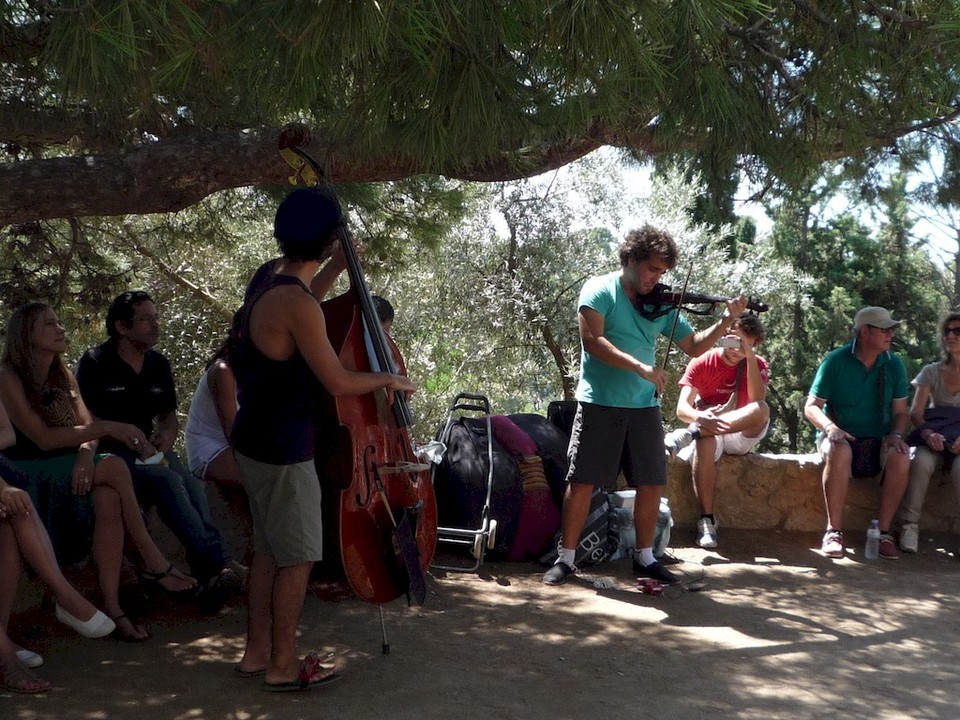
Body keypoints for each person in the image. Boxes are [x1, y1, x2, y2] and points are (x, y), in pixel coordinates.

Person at [230, 186, 416, 691]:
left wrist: (340, 263)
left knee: (269, 551)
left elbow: (308, 295)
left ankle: (256, 653)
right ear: (329, 237)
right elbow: (338, 381)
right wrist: (388, 380)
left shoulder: (270, 279)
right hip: (284, 446)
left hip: (254, 437)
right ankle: (283, 666)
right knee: (300, 556)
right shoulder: (296, 304)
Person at [542, 225, 749, 586]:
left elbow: (694, 345)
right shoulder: (600, 289)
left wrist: (724, 322)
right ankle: (568, 557)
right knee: (583, 479)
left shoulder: (662, 305)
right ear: (632, 260)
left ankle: (645, 557)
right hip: (599, 402)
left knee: (652, 480)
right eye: (652, 269)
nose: (656, 278)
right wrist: (640, 367)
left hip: (644, 407)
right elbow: (593, 341)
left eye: (662, 272)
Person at [0, 302, 195, 642]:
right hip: (28, 472)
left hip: (72, 467)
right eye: (50, 324)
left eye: (60, 320)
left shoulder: (64, 375)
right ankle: (151, 558)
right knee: (117, 467)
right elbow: (43, 439)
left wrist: (86, 458)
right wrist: (108, 429)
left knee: (107, 496)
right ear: (26, 335)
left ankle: (113, 607)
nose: (61, 328)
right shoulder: (8, 378)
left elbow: (87, 428)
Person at [75, 291, 241, 605]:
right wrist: (118, 432)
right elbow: (84, 417)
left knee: (189, 481)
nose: (155, 325)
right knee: (167, 481)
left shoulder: (158, 364)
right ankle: (216, 564)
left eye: (156, 317)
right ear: (122, 328)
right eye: (146, 319)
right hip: (109, 455)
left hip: (150, 453)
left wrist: (165, 435)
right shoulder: (95, 362)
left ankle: (209, 570)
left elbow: (167, 417)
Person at [803, 306, 911, 559]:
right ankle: (833, 531)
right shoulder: (836, 361)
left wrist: (895, 435)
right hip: (840, 436)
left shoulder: (894, 364)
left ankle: (883, 533)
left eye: (891, 329)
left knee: (901, 457)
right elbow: (811, 407)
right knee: (839, 451)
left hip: (879, 439)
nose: (890, 334)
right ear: (865, 332)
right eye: (884, 329)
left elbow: (901, 413)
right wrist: (830, 428)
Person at [666, 315, 770, 548]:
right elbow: (682, 409)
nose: (737, 350)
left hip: (742, 431)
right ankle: (707, 520)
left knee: (761, 409)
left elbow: (757, 401)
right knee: (706, 440)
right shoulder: (702, 362)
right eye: (734, 342)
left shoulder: (757, 363)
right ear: (724, 336)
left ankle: (692, 434)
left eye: (746, 345)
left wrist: (750, 357)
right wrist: (699, 417)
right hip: (710, 428)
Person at [897, 312, 960, 553]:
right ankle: (909, 526)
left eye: (957, 331)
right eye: (947, 331)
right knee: (921, 462)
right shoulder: (931, 372)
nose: (951, 336)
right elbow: (915, 413)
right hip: (934, 436)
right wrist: (927, 434)